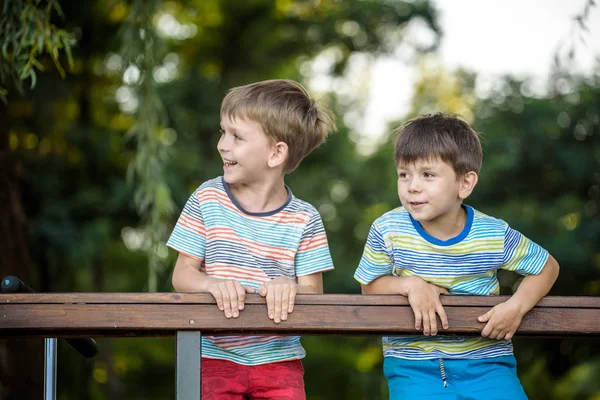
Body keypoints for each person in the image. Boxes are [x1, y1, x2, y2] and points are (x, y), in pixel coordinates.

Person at [354, 113, 560, 399]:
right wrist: (410, 285)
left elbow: (546, 267)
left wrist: (516, 307)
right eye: (404, 174)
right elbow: (369, 286)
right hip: (412, 365)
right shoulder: (388, 229)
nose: (412, 185)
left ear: (465, 183)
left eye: (428, 174)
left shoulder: (492, 234)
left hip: (487, 364)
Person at [168, 79, 337, 399]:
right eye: (223, 132)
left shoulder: (305, 219)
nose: (222, 144)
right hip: (213, 357)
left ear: (276, 153)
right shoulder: (207, 198)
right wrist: (211, 283)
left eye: (236, 136)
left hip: (280, 363)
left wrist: (290, 287)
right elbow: (182, 274)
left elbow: (313, 293)